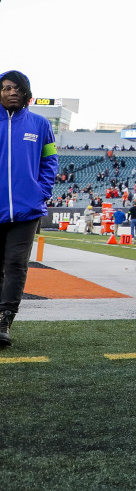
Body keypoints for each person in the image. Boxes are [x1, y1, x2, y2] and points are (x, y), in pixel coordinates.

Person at [0, 71, 57, 348]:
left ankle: (5, 320)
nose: (11, 92)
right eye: (5, 88)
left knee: (15, 264)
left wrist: (41, 193)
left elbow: (50, 162)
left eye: (16, 88)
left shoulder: (40, 123)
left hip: (27, 211)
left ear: (25, 93)